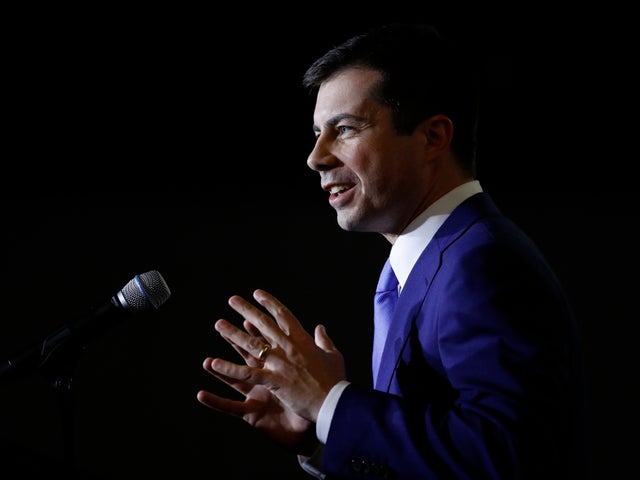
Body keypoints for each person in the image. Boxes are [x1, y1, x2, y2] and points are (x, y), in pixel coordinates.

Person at [196, 23, 586, 479]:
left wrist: (330, 403)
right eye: (318, 132)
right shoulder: (420, 265)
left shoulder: (481, 264)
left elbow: (506, 458)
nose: (315, 157)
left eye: (344, 129)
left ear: (433, 138)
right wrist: (321, 437)